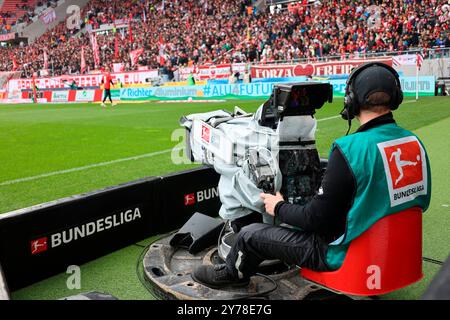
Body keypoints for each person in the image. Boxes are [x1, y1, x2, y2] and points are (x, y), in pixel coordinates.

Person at [192, 62, 432, 288]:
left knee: (250, 235)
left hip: (340, 252)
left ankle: (233, 274)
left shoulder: (350, 149)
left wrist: (279, 206)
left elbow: (316, 220)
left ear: (351, 101)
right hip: (391, 250)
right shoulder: (415, 142)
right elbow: (422, 201)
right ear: (397, 98)